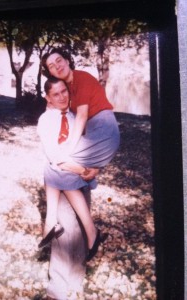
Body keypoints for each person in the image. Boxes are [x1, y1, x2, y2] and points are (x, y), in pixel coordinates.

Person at [37, 65, 119, 261]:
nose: (62, 97)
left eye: (64, 91)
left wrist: (94, 169)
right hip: (70, 177)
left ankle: (51, 223)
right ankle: (89, 232)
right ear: (48, 98)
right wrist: (83, 170)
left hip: (78, 181)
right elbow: (55, 156)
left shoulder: (78, 117)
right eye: (55, 94)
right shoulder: (46, 120)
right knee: (54, 166)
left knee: (51, 170)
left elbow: (90, 148)